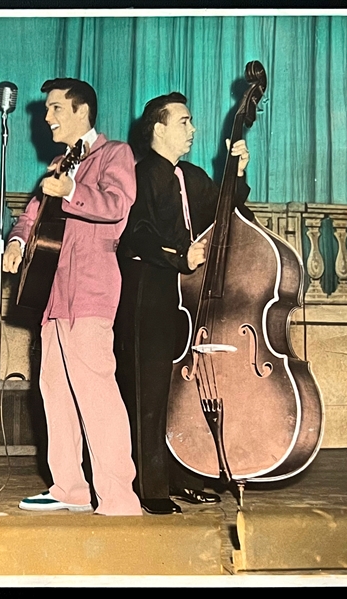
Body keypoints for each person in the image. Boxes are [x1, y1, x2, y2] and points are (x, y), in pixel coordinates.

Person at [3, 78, 141, 516]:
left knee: (97, 396)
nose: (47, 118)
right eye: (47, 109)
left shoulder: (115, 153)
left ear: (82, 112)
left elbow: (117, 204)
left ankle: (120, 497)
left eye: (56, 108)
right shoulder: (61, 162)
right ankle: (69, 488)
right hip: (52, 296)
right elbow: (31, 215)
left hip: (92, 291)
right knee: (55, 394)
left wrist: (74, 192)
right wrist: (17, 243)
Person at [114, 92, 253, 515]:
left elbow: (225, 214)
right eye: (184, 122)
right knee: (150, 390)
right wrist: (179, 257)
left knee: (184, 389)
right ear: (159, 128)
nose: (193, 130)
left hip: (189, 299)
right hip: (149, 293)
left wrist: (237, 174)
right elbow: (134, 233)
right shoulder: (137, 175)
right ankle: (150, 487)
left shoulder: (192, 176)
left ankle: (186, 476)